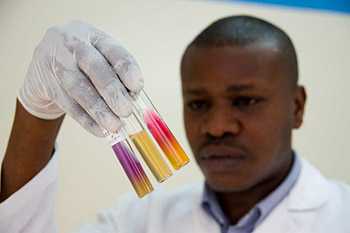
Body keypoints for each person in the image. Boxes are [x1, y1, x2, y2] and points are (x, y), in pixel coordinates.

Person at [1, 16, 350, 233]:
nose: (216, 127)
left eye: (245, 101)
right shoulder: (140, 221)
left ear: (297, 106)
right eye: (198, 104)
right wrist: (37, 112)